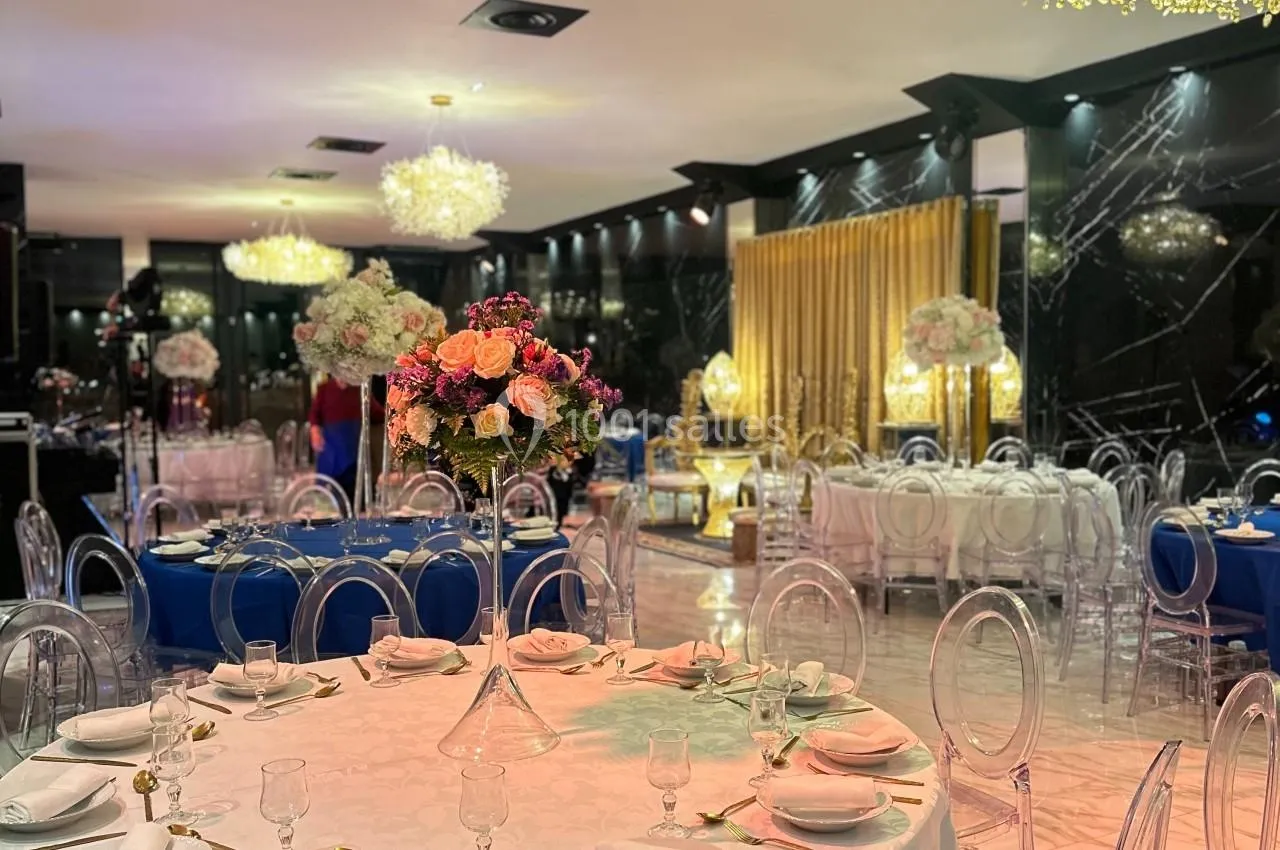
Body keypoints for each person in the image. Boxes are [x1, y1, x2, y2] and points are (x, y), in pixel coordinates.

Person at [308, 376, 382, 504]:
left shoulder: (360, 389)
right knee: (329, 500)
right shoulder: (324, 389)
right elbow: (314, 415)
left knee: (358, 497)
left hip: (355, 452)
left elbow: (377, 412)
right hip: (331, 453)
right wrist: (314, 432)